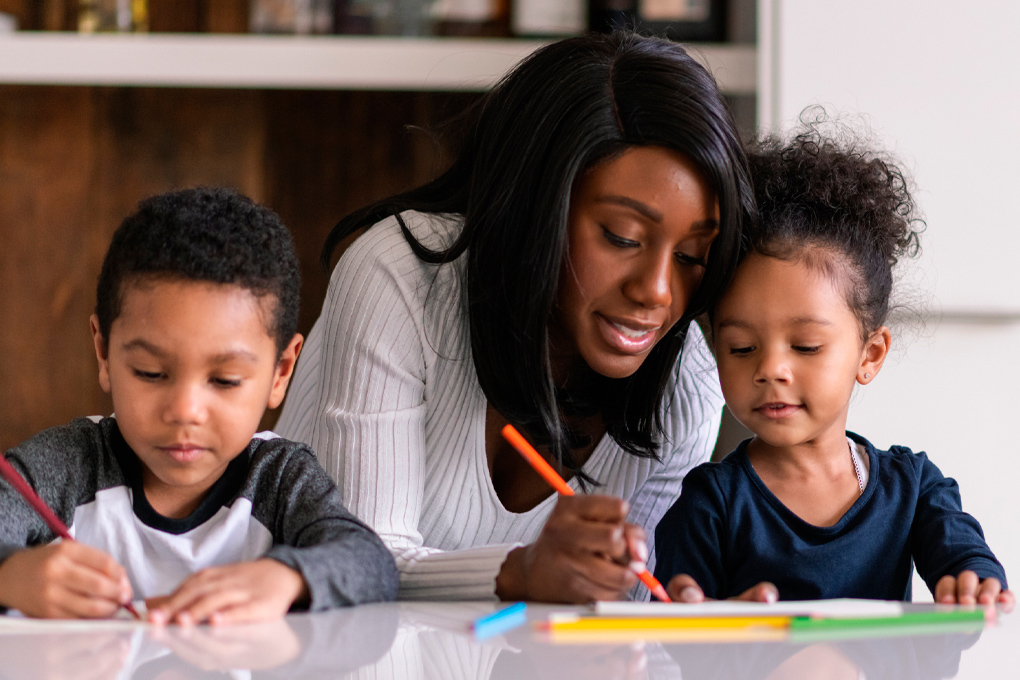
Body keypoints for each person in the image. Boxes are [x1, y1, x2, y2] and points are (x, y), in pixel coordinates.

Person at [275, 31, 755, 602]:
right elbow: (358, 564)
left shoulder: (688, 381)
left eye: (690, 256)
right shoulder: (399, 276)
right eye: (621, 237)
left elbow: (622, 610)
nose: (656, 292)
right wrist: (519, 574)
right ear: (538, 203)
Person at [0, 187, 399, 622]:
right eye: (151, 373)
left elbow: (371, 563)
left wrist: (287, 578)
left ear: (280, 372)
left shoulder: (279, 479)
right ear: (103, 353)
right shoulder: (63, 468)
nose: (185, 410)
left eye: (225, 380)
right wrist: (11, 575)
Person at [654, 126, 1013, 605]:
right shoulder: (711, 505)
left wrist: (973, 579)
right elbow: (674, 635)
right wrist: (703, 625)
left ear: (870, 355)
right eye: (741, 348)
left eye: (804, 346)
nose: (771, 369)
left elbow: (968, 559)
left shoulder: (913, 490)